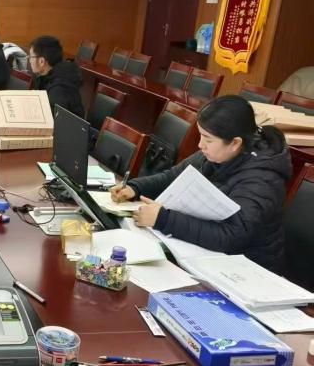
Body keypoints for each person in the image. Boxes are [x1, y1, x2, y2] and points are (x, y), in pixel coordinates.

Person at [110, 95, 292, 273]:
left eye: (208, 139)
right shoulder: (217, 153)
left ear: (235, 143)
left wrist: (164, 220)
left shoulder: (263, 179)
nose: (200, 145)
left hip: (246, 270)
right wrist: (135, 188)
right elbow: (173, 176)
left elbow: (232, 236)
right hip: (207, 253)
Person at [29, 35, 84, 118]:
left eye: (31, 57)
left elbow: (53, 119)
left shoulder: (59, 88)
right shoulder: (45, 75)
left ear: (41, 61)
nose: (29, 60)